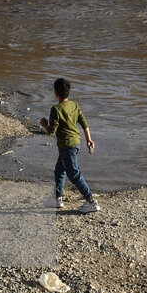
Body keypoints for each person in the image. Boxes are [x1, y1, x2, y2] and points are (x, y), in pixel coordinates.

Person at [39, 78, 100, 213]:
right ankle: (57, 198)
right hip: (75, 143)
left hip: (67, 146)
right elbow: (84, 123)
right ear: (68, 92)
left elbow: (52, 132)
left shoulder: (56, 109)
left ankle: (91, 201)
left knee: (73, 174)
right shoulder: (74, 105)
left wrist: (44, 125)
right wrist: (89, 140)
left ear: (56, 93)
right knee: (60, 170)